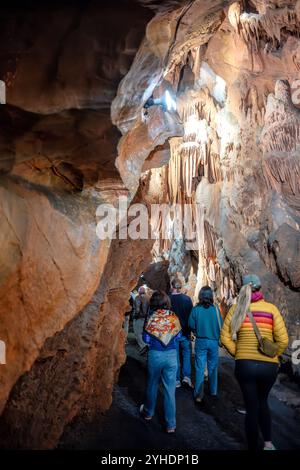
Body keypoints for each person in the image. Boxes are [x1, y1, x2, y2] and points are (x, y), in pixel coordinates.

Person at [221, 274, 289, 451]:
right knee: (263, 402)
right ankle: (267, 443)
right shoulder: (271, 309)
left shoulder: (237, 309)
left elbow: (224, 337)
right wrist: (273, 355)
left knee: (251, 407)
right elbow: (283, 340)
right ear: (260, 288)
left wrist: (238, 353)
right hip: (268, 366)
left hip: (245, 365)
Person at [140, 291, 182, 433]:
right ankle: (171, 424)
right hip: (171, 355)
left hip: (155, 355)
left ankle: (148, 412)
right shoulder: (173, 317)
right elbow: (179, 336)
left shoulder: (151, 318)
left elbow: (146, 339)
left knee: (152, 384)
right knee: (170, 390)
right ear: (166, 302)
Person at [189, 286, 223, 403]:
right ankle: (213, 391)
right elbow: (221, 326)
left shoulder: (196, 309)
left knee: (199, 367)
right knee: (213, 367)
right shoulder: (216, 310)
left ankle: (198, 394)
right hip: (213, 342)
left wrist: (196, 331)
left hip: (201, 341)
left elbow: (191, 324)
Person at [169, 279, 193, 388]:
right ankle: (186, 377)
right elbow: (191, 317)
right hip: (185, 333)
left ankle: (177, 379)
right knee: (187, 355)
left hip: (173, 334)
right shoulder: (187, 299)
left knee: (175, 356)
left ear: (172, 286)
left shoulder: (168, 300)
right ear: (181, 287)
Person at [132, 286, 149, 354]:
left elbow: (137, 310)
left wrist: (134, 316)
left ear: (139, 291)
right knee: (144, 333)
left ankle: (144, 347)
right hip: (146, 318)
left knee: (137, 333)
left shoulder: (138, 298)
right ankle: (146, 345)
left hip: (139, 318)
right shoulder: (149, 297)